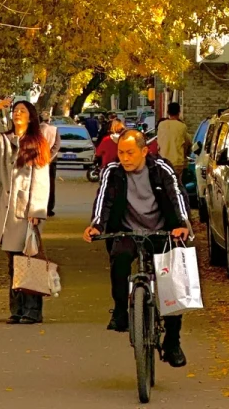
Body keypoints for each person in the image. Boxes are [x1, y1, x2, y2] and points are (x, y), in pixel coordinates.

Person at [84, 128, 192, 368]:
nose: (125, 158)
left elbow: (177, 195)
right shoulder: (112, 171)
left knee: (171, 286)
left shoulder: (161, 169)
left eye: (131, 153)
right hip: (128, 231)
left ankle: (172, 342)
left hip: (162, 231)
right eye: (121, 153)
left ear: (144, 151)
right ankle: (121, 310)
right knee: (120, 258)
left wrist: (182, 225)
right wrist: (96, 226)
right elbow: (104, 200)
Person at [0, 98, 51, 324]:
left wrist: (36, 210)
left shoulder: (37, 142)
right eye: (15, 110)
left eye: (22, 110)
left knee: (28, 259)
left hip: (25, 210)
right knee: (13, 261)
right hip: (4, 210)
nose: (17, 113)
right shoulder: (3, 141)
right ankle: (16, 309)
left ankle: (32, 310)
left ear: (31, 116)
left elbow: (41, 179)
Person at [155, 102, 193, 186]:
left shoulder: (161, 125)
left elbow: (159, 142)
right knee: (177, 186)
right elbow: (187, 144)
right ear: (179, 112)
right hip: (177, 163)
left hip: (163, 163)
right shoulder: (182, 126)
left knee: (164, 186)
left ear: (168, 112)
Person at [41, 114, 61, 217]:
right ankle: (49, 208)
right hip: (51, 161)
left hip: (38, 160)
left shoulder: (37, 129)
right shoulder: (54, 129)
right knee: (50, 184)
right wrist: (49, 157)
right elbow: (57, 145)